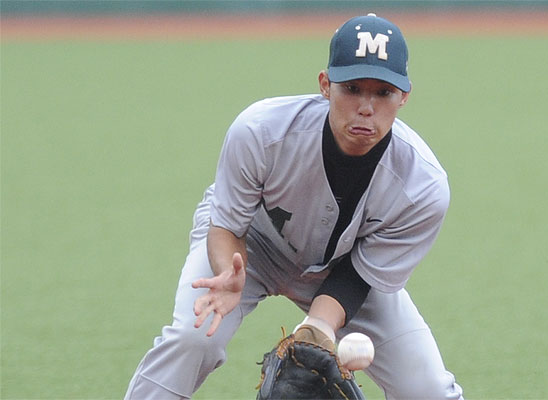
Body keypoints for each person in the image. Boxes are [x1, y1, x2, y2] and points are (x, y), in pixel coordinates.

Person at [125, 13, 464, 400]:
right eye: (352, 87)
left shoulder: (423, 186)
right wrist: (227, 270)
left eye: (383, 92)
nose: (366, 107)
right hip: (249, 247)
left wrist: (319, 325)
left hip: (346, 271)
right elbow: (227, 225)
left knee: (428, 389)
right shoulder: (260, 131)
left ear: (404, 96)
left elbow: (360, 276)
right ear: (325, 85)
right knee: (193, 338)